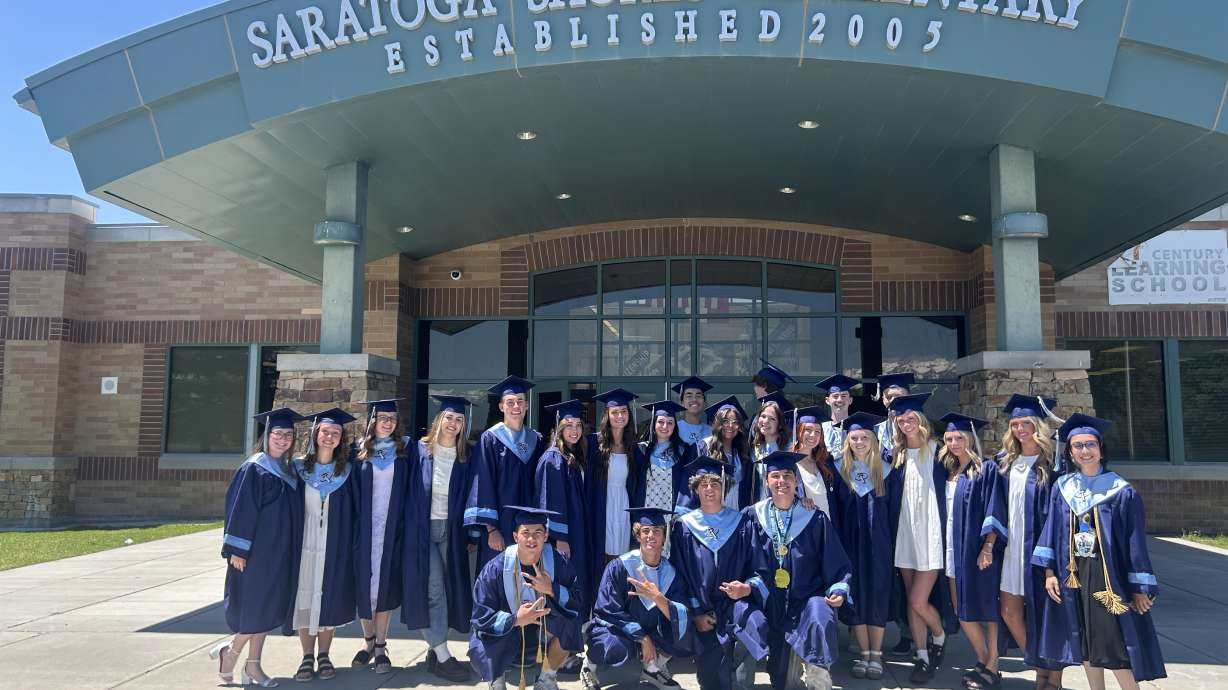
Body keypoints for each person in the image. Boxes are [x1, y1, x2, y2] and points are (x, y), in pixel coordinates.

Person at [1033, 414, 1166, 689]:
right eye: (1078, 445)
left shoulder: (1122, 491)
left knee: (1114, 642)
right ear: (1070, 452)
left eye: (1090, 444)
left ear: (1101, 449)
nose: (1085, 451)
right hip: (1073, 574)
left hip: (1109, 577)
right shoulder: (1063, 488)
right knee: (1084, 640)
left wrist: (1139, 587)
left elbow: (1135, 543)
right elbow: (1051, 530)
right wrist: (1049, 573)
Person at [738, 451, 852, 690]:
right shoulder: (752, 516)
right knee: (783, 682)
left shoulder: (813, 517)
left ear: (797, 481)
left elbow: (836, 560)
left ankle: (818, 680)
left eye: (787, 475)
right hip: (765, 598)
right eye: (775, 476)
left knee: (820, 614)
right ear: (767, 481)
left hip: (804, 597)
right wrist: (746, 586)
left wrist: (838, 589)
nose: (782, 481)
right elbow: (740, 562)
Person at [210, 407, 306, 688]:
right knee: (255, 608)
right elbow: (240, 510)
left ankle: (253, 665)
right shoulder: (254, 468)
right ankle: (231, 653)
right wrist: (238, 550)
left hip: (280, 552)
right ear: (267, 436)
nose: (283, 439)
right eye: (278, 433)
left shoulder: (287, 469)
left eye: (288, 435)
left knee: (268, 607)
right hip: (256, 554)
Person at [403, 395, 478, 682]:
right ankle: (443, 655)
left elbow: (474, 493)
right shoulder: (418, 450)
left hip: (452, 529)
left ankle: (435, 649)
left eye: (459, 419)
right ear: (439, 420)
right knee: (433, 589)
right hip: (422, 529)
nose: (453, 423)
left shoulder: (467, 455)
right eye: (449, 417)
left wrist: (472, 531)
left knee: (449, 589)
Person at [469, 505, 584, 690]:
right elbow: (481, 616)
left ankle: (546, 679)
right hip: (509, 629)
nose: (532, 539)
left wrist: (552, 589)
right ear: (516, 537)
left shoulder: (558, 561)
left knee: (571, 623)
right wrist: (515, 619)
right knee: (482, 639)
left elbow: (576, 601)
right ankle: (497, 682)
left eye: (538, 532)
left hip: (543, 627)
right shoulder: (495, 569)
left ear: (546, 536)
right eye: (526, 533)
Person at [582, 508, 695, 690]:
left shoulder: (671, 573)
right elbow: (607, 609)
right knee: (615, 646)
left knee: (686, 631)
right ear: (638, 536)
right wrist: (642, 638)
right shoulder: (619, 567)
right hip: (618, 630)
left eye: (657, 531)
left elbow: (682, 611)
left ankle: (652, 668)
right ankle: (589, 665)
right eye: (645, 531)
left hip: (652, 628)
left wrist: (658, 598)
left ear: (664, 537)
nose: (651, 536)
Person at [671, 457, 760, 690]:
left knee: (754, 623)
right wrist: (694, 614)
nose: (709, 489)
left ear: (724, 487)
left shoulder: (741, 523)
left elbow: (758, 566)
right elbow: (679, 576)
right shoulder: (684, 526)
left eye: (715, 484)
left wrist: (747, 588)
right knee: (712, 678)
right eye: (704, 484)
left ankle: (742, 685)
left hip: (736, 604)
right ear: (696, 489)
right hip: (702, 608)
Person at [889, 392, 958, 684]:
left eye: (911, 418)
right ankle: (922, 656)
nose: (906, 423)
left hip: (931, 534)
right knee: (911, 598)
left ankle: (938, 635)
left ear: (921, 420)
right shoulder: (897, 456)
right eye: (901, 420)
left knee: (919, 600)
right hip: (906, 534)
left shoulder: (940, 452)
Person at [998, 394, 1065, 690]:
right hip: (1012, 548)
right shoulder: (1005, 462)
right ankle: (1040, 667)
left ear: (1038, 425)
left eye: (1026, 423)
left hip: (1042, 548)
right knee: (1009, 612)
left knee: (1048, 616)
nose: (1020, 429)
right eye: (1015, 424)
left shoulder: (1053, 464)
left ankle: (1053, 680)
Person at [829, 412, 902, 681]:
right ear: (847, 441)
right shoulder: (839, 470)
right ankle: (863, 653)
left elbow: (895, 513)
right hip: (850, 544)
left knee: (878, 592)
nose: (859, 442)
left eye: (864, 437)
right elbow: (835, 513)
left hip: (880, 544)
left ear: (873, 440)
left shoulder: (887, 470)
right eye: (854, 438)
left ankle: (876, 654)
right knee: (856, 593)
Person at [938, 413, 1007, 690]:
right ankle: (982, 659)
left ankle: (993, 666)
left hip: (976, 548)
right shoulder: (950, 471)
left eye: (959, 438)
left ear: (971, 439)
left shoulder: (986, 470)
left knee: (987, 608)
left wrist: (988, 546)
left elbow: (994, 507)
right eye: (949, 439)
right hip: (952, 549)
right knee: (962, 609)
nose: (954, 443)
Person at [291, 408, 359, 683]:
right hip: (305, 542)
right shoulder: (298, 468)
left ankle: (324, 654)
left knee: (328, 594)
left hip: (334, 542)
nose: (330, 437)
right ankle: (307, 655)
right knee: (305, 594)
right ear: (315, 434)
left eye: (336, 433)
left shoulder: (347, 471)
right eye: (326, 432)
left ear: (341, 439)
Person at [353, 398, 414, 673]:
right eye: (383, 418)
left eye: (392, 419)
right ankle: (368, 641)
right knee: (364, 587)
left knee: (385, 586)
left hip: (391, 529)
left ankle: (380, 646)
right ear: (373, 421)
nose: (388, 423)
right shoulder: (358, 451)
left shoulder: (404, 450)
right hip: (363, 529)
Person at [467, 376, 546, 568]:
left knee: (527, 574)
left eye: (520, 401)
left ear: (527, 405)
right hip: (500, 525)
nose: (516, 406)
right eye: (510, 402)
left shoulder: (536, 440)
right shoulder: (490, 439)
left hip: (529, 528)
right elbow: (483, 484)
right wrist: (491, 530)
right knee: (498, 574)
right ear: (501, 407)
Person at [535, 400, 594, 618]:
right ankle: (563, 632)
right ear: (559, 428)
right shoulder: (554, 458)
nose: (574, 430)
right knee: (565, 579)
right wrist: (560, 538)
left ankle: (576, 627)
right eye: (569, 425)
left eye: (578, 425)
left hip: (576, 530)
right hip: (565, 536)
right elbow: (552, 502)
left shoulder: (572, 455)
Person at [586, 389, 645, 574]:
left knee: (622, 550)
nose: (620, 416)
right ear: (607, 415)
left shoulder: (634, 448)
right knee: (601, 550)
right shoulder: (593, 444)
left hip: (624, 504)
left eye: (624, 411)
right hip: (601, 503)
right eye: (615, 412)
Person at [635, 400, 695, 531]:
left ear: (675, 426)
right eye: (660, 422)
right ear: (654, 424)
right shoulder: (641, 450)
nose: (665, 426)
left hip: (672, 510)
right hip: (646, 509)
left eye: (670, 422)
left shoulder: (683, 452)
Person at [703, 396, 754, 511]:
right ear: (718, 423)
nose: (730, 426)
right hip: (711, 512)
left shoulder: (742, 452)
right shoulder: (704, 447)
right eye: (725, 421)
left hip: (736, 511)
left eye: (735, 422)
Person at [789, 406, 837, 519]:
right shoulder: (789, 463)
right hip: (804, 523)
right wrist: (799, 500)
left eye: (817, 431)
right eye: (808, 430)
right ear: (798, 431)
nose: (813, 435)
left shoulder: (825, 462)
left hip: (828, 523)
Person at [750, 391, 794, 503]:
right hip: (760, 505)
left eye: (772, 419)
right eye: (763, 416)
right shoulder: (754, 449)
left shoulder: (789, 449)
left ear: (780, 425)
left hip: (783, 504)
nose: (765, 421)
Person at [817, 375, 859, 460]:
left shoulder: (859, 428)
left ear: (850, 400)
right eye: (835, 396)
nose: (839, 400)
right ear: (827, 400)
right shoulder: (821, 429)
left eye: (844, 396)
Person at [873, 372, 915, 455]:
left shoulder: (923, 429)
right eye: (888, 397)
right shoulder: (877, 431)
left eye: (898, 396)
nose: (893, 401)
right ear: (883, 400)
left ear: (909, 397)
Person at [672, 376, 713, 451]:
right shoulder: (673, 429)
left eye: (698, 396)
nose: (694, 399)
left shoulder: (711, 431)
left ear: (704, 403)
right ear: (682, 403)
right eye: (689, 396)